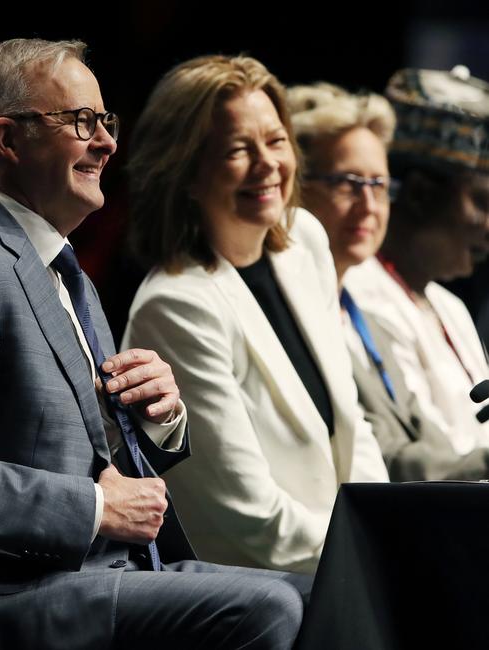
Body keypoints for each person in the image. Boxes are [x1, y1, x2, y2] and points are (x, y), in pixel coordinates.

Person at [0, 39, 310, 650]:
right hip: (13, 594)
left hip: (102, 572)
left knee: (315, 595)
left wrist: (159, 417)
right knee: (270, 608)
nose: (107, 142)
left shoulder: (58, 263)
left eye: (105, 122)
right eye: (82, 122)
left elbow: (95, 455)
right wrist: (92, 509)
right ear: (8, 139)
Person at [122, 55, 388, 576]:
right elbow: (248, 518)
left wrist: (393, 527)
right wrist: (378, 558)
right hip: (267, 591)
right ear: (186, 172)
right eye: (239, 149)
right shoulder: (176, 306)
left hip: (348, 567)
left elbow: (353, 430)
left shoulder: (304, 241)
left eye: (276, 140)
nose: (268, 164)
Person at [287, 82, 489, 480]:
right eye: (348, 183)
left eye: (378, 185)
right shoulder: (337, 298)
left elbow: (428, 443)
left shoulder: (365, 312)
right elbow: (388, 465)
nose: (369, 205)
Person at [344, 66, 489, 456]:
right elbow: (422, 464)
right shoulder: (356, 295)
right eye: (482, 202)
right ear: (421, 194)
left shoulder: (449, 305)